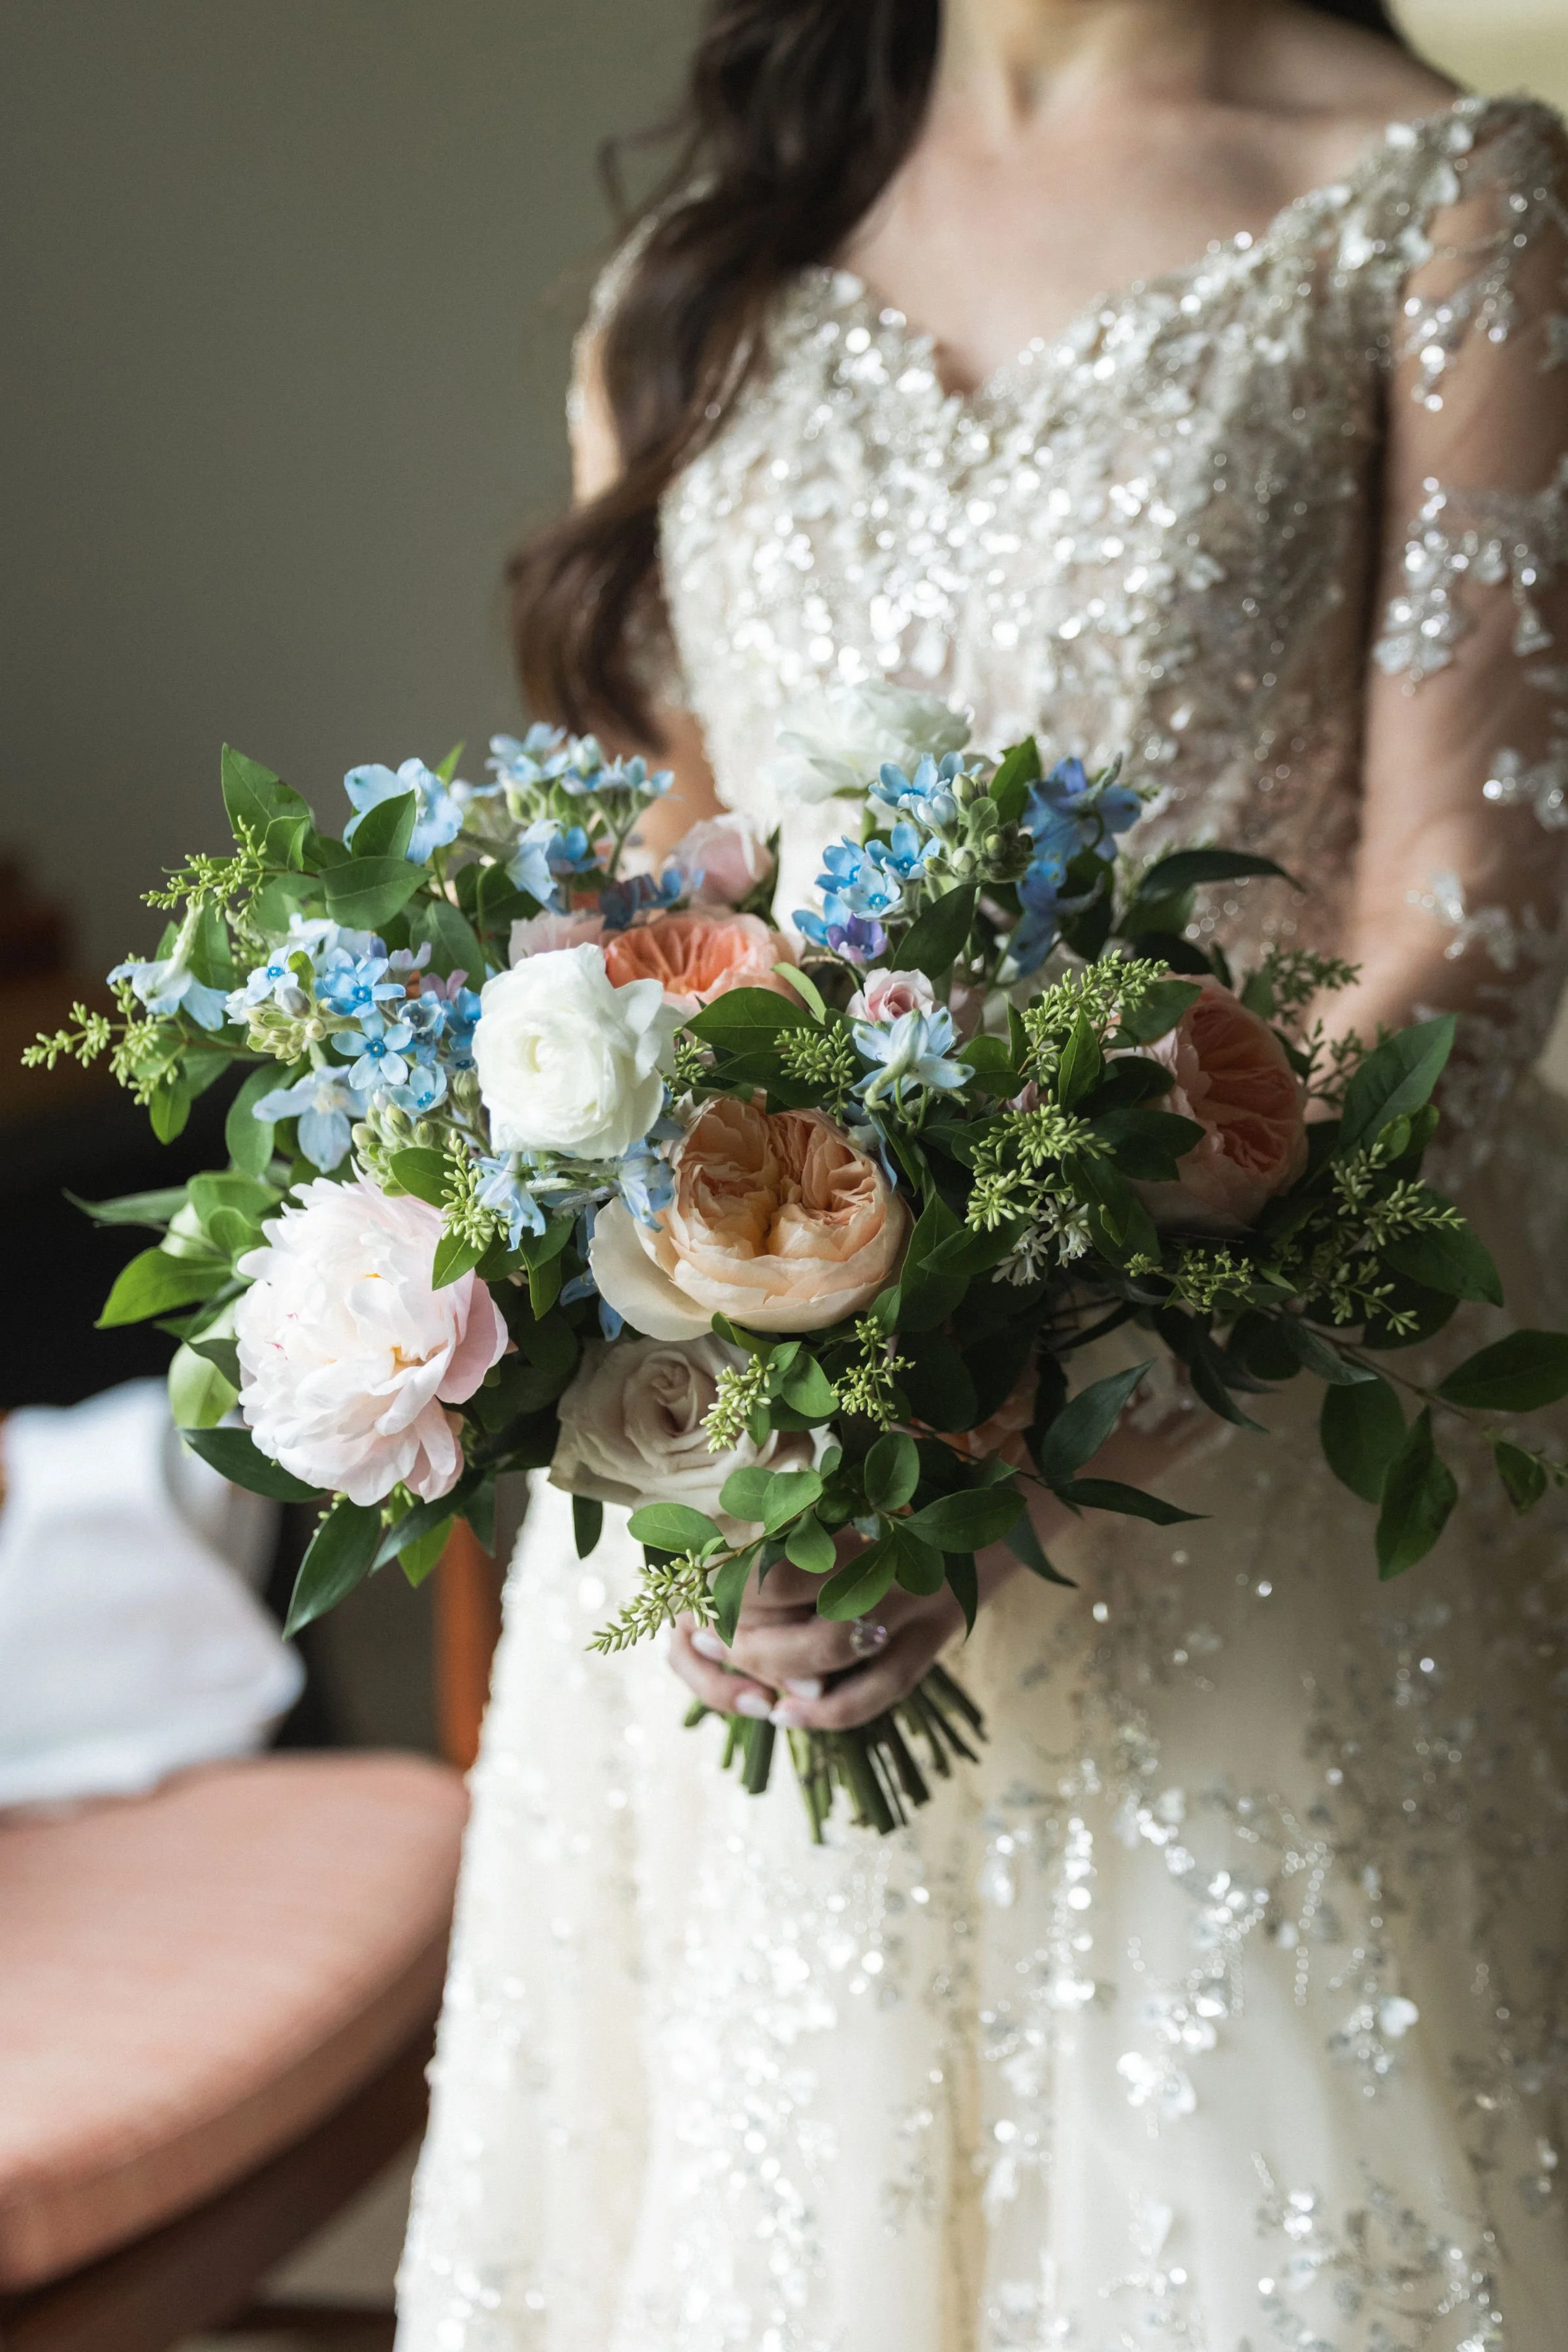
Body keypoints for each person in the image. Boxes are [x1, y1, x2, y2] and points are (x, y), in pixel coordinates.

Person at [397, 2, 1568, 2342]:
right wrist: (732, 1435)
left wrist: (1046, 1390)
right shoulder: (697, 283)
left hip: (1252, 1460)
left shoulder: (1448, 200)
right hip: (754, 1504)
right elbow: (662, 907)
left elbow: (1474, 914)